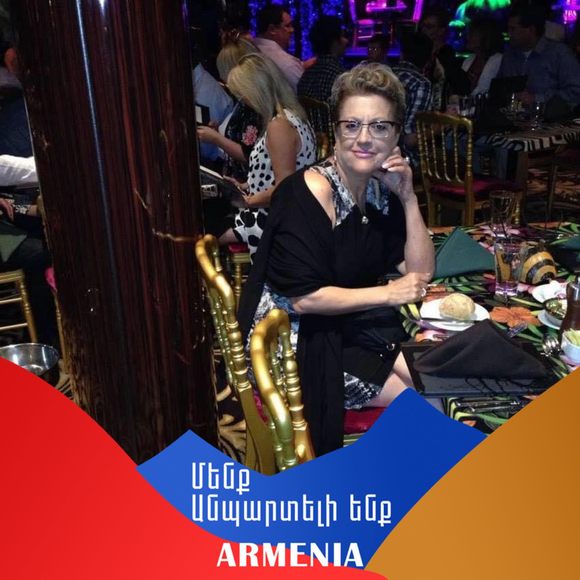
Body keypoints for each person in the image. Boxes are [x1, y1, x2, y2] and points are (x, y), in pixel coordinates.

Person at [239, 63, 435, 454]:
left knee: (434, 379)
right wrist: (388, 294)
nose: (364, 139)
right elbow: (304, 298)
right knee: (426, 400)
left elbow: (421, 272)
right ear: (336, 130)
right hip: (294, 341)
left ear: (397, 135)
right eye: (352, 125)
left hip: (347, 324)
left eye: (379, 127)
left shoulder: (378, 188)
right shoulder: (309, 192)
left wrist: (408, 197)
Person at [218, 53, 316, 255]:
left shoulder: (279, 125)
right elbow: (274, 175)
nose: (243, 101)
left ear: (256, 92)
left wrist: (249, 201)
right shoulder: (289, 116)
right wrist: (245, 187)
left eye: (243, 95)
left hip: (273, 219)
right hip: (271, 211)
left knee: (203, 227)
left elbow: (285, 189)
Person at [499, 4, 580, 106]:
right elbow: (499, 90)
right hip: (512, 114)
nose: (509, 33)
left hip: (548, 115)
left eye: (513, 29)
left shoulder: (558, 54)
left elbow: (576, 91)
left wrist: (537, 99)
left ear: (531, 30)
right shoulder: (509, 56)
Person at [391, 31, 433, 169]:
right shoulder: (421, 83)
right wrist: (444, 124)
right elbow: (410, 140)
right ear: (428, 60)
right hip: (404, 160)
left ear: (402, 54)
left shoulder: (385, 75)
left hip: (375, 152)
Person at [420, 8, 470, 107]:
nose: (424, 30)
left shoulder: (446, 54)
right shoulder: (420, 52)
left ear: (441, 31)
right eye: (423, 25)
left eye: (429, 27)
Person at [253, 5, 304, 91]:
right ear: (272, 29)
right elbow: (303, 95)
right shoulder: (288, 64)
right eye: (287, 26)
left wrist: (302, 65)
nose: (292, 30)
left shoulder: (250, 49)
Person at [297, 15, 347, 103]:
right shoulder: (340, 77)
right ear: (334, 42)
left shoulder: (306, 76)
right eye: (343, 36)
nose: (346, 41)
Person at [462, 18, 504, 95]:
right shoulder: (468, 60)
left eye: (472, 34)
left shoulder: (498, 60)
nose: (468, 37)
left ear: (486, 37)